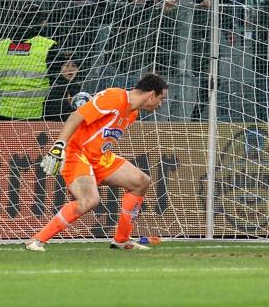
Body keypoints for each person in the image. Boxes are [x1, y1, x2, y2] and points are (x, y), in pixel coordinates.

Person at [25, 72, 169, 251]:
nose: (160, 104)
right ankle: (37, 240)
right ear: (151, 94)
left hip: (100, 158)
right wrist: (58, 148)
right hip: (77, 153)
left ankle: (122, 240)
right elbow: (76, 117)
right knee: (89, 200)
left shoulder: (133, 113)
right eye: (161, 98)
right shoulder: (114, 97)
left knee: (141, 182)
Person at [0, 3, 60, 120]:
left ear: (20, 21)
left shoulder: (2, 46)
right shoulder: (48, 46)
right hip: (36, 116)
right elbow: (57, 84)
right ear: (43, 22)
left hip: (4, 114)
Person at [44, 53, 85, 122]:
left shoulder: (79, 89)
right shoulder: (56, 90)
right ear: (59, 69)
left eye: (74, 65)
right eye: (66, 65)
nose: (70, 69)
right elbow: (55, 116)